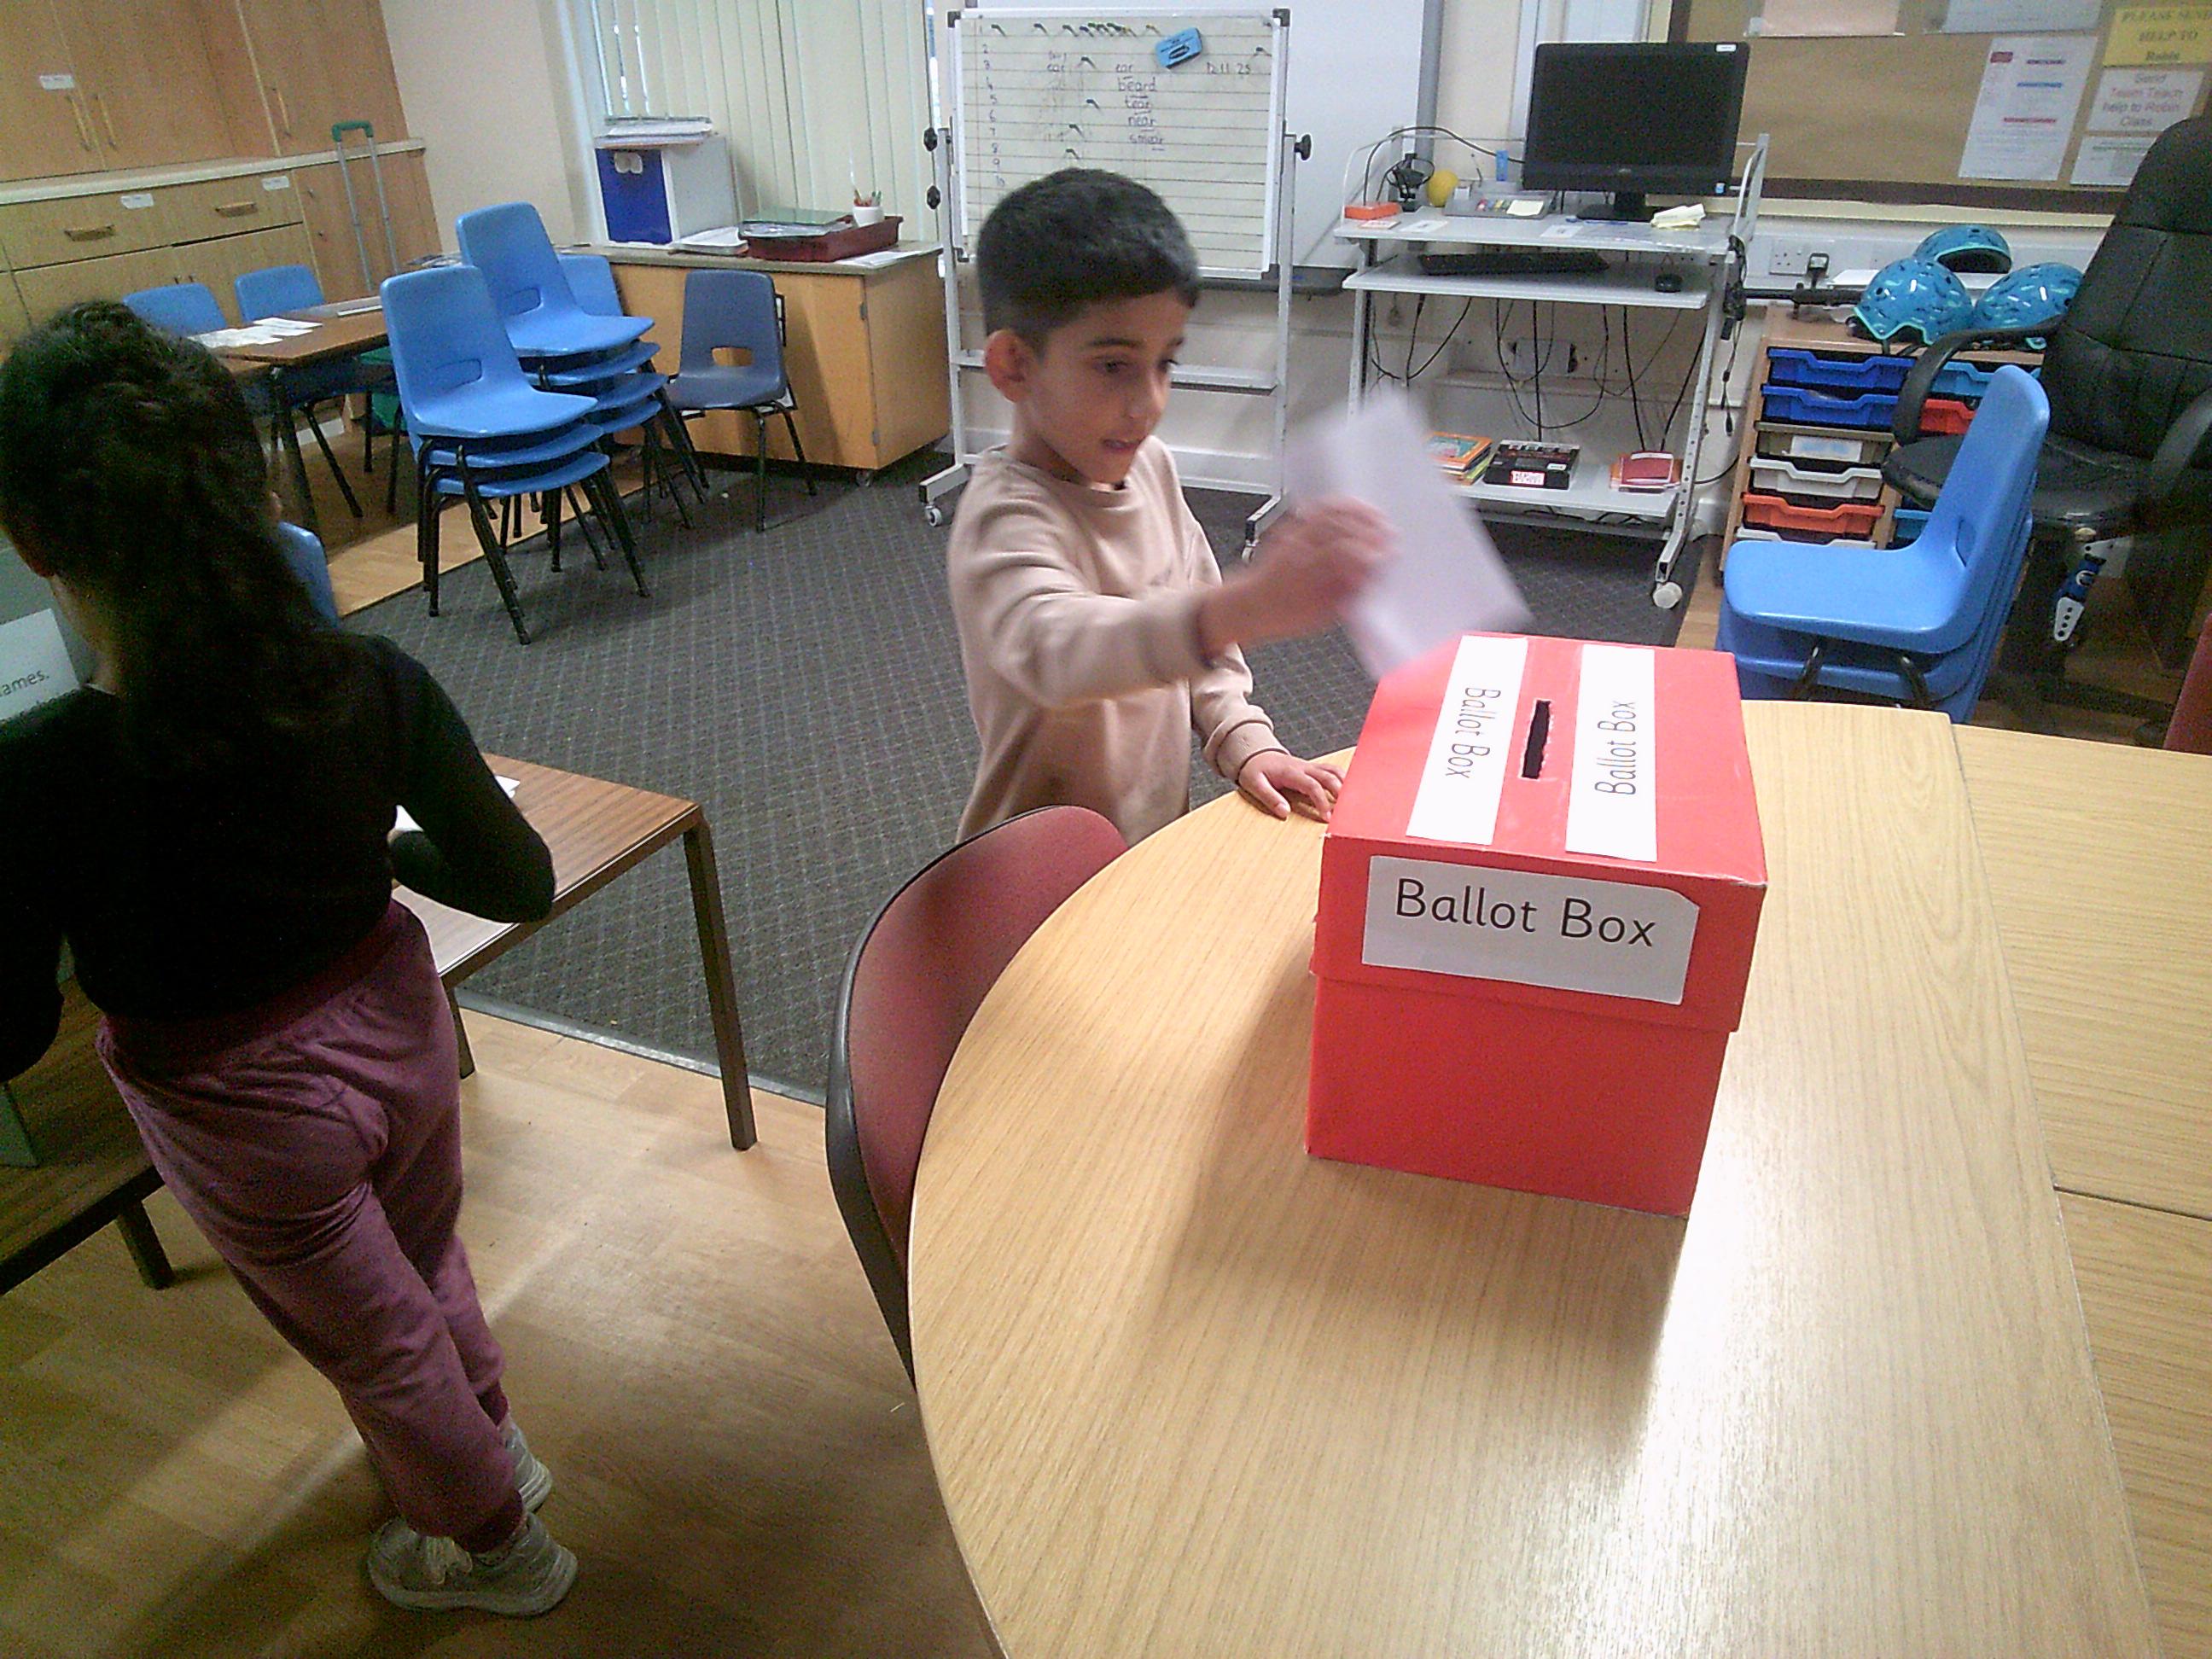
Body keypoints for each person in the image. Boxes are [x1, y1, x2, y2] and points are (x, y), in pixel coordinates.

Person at [0, 302, 575, 1617]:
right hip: (397, 1026)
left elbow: (12, 1032)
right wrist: (384, 854)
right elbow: (515, 880)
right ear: (256, 488)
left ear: (31, 538)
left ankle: (500, 1548)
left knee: (374, 1346)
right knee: (423, 1263)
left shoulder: (39, 778)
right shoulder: (369, 677)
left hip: (242, 1106)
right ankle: (497, 1447)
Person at [948, 168, 1392, 844]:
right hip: (1039, 865)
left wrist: (1244, 738)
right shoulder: (1002, 520)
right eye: (1114, 366)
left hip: (1147, 842)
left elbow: (1202, 648)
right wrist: (1247, 605)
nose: (1149, 403)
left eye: (1165, 364)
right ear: (1014, 366)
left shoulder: (1151, 468)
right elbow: (1062, 651)